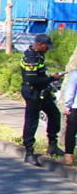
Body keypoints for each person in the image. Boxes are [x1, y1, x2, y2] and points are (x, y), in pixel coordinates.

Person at [20, 33, 63, 166]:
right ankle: (29, 152)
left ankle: (53, 144)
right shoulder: (31, 57)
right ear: (39, 44)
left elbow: (40, 76)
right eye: (46, 46)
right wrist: (52, 78)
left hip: (41, 91)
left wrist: (49, 84)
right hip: (33, 92)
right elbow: (32, 79)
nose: (48, 49)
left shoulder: (38, 55)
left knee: (54, 114)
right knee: (31, 122)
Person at [62, 69, 77, 166]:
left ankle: (68, 157)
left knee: (71, 131)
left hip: (76, 107)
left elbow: (70, 91)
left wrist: (68, 105)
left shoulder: (75, 73)